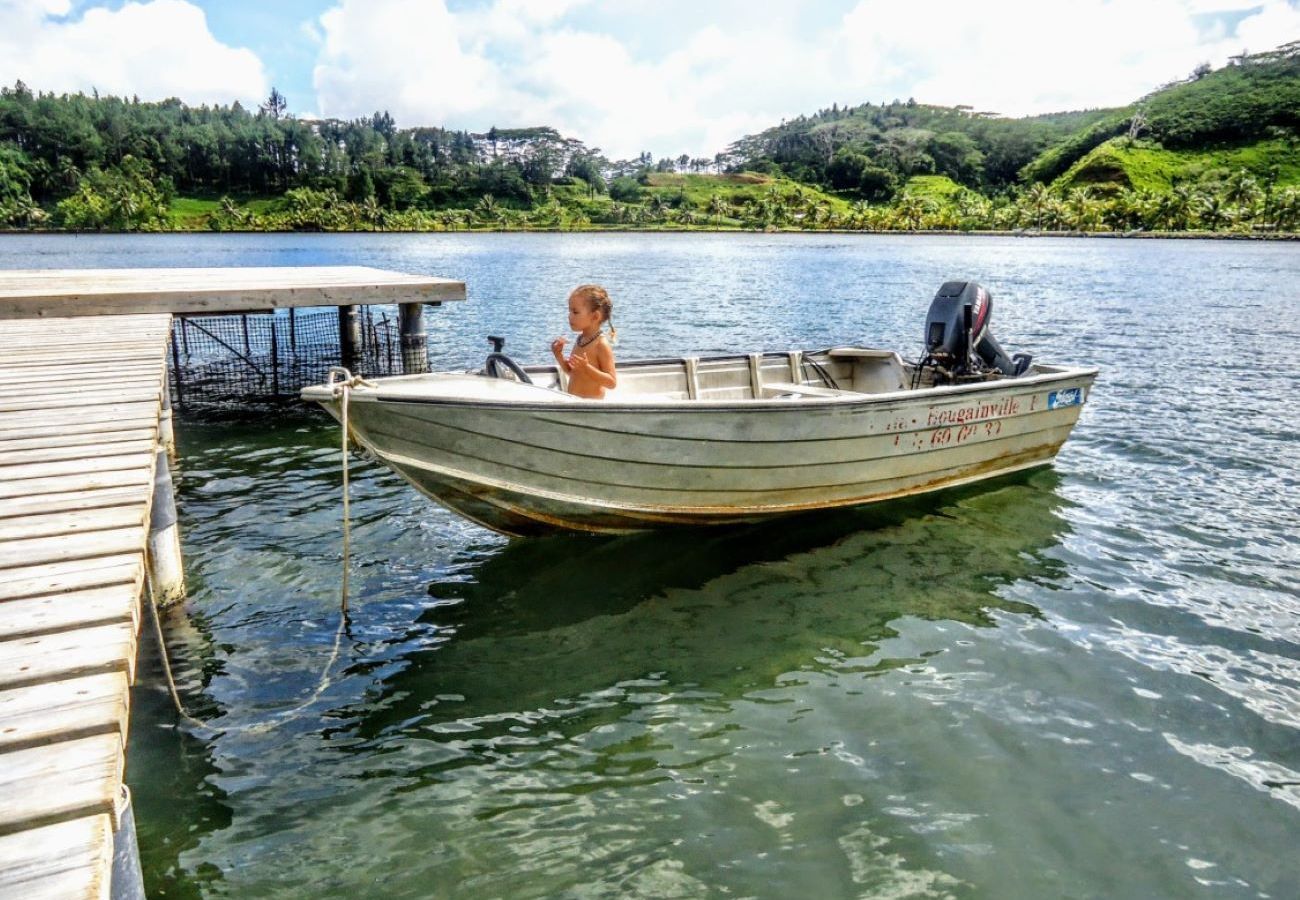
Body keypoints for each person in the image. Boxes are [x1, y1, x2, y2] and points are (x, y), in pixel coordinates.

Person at [551, 284, 618, 399]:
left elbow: (611, 383)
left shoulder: (601, 344)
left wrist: (587, 368)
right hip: (575, 404)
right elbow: (573, 373)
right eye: (570, 311)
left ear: (595, 317)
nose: (569, 316)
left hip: (591, 407)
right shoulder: (580, 340)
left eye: (575, 312)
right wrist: (559, 356)